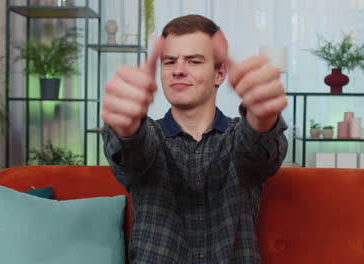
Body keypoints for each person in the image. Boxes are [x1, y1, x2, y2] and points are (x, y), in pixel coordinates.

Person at [101, 14, 288, 263]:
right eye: (169, 62)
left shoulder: (237, 138)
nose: (178, 70)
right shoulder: (149, 137)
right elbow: (132, 152)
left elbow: (258, 147)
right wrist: (125, 127)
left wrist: (263, 117)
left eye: (194, 61)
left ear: (220, 73)